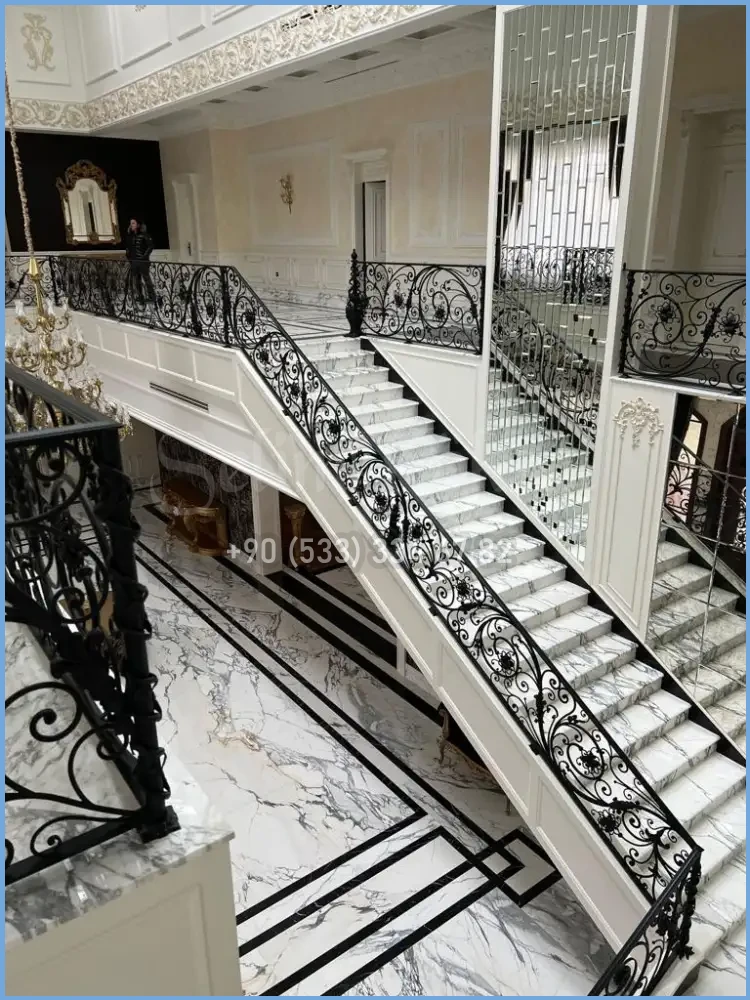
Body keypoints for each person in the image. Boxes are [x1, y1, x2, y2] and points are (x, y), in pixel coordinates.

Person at [131, 221, 156, 306]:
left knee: (146, 279)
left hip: (143, 261)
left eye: (133, 224)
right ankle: (140, 296)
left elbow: (151, 246)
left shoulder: (145, 235)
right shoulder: (134, 236)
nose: (132, 226)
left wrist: (144, 257)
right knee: (136, 280)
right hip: (135, 261)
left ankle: (152, 296)